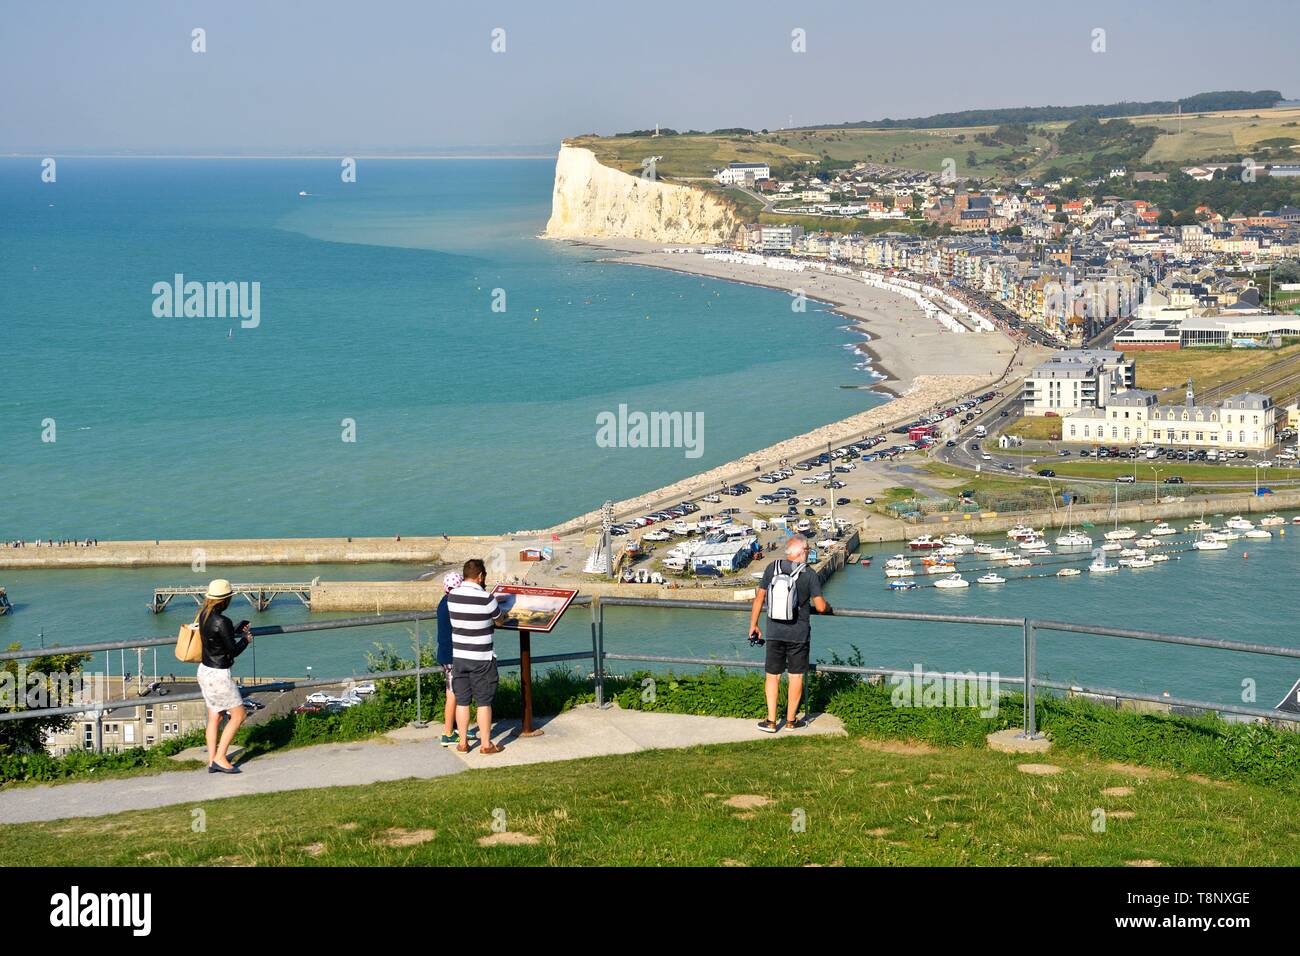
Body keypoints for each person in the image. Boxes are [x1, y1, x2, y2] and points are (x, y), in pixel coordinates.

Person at [747, 535, 832, 733]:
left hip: (774, 631)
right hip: (798, 634)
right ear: (801, 552)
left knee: (772, 676)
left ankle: (770, 721)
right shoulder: (809, 574)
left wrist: (754, 625)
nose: (810, 552)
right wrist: (827, 607)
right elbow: (819, 606)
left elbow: (759, 598)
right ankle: (792, 721)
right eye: (808, 549)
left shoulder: (772, 567)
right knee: (795, 677)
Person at [447, 559, 508, 754]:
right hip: (482, 658)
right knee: (483, 701)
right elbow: (499, 620)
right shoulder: (487, 598)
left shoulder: (452, 597)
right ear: (480, 576)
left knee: (463, 700)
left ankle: (463, 743)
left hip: (459, 656)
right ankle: (486, 745)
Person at [196, 578, 253, 773]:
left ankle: (212, 760)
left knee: (215, 717)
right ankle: (221, 758)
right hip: (219, 675)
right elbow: (233, 651)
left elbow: (217, 637)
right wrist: (246, 640)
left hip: (204, 671)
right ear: (225, 600)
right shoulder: (222, 621)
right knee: (238, 715)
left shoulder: (203, 615)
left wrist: (235, 630)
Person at [435, 571, 477, 747]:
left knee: (457, 692)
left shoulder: (443, 603)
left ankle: (458, 727)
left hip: (446, 654)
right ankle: (447, 733)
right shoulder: (453, 604)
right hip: (453, 655)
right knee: (452, 694)